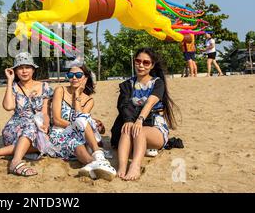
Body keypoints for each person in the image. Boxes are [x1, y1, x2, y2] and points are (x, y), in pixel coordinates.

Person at [110, 48, 179, 181]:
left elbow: (150, 103)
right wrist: (129, 120)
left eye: (146, 63)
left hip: (153, 126)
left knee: (139, 131)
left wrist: (139, 119)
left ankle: (135, 166)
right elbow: (123, 104)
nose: (141, 65)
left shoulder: (157, 83)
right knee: (126, 129)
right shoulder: (128, 84)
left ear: (152, 65)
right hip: (135, 122)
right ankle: (122, 167)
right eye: (138, 61)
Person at [0, 52, 53, 177]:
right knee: (31, 125)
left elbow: (45, 112)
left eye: (27, 67)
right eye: (20, 68)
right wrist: (9, 81)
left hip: (38, 126)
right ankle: (16, 162)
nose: (24, 71)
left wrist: (46, 125)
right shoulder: (14, 87)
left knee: (47, 143)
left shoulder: (45, 86)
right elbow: (8, 106)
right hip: (15, 127)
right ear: (15, 71)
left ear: (33, 69)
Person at [49, 65, 116, 181]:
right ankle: (97, 159)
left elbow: (81, 118)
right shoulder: (60, 90)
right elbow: (56, 120)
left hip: (78, 133)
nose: (74, 78)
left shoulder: (89, 100)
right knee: (77, 135)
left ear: (85, 78)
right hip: (60, 133)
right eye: (70, 75)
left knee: (79, 136)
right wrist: (76, 125)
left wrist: (77, 95)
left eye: (78, 75)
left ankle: (92, 164)